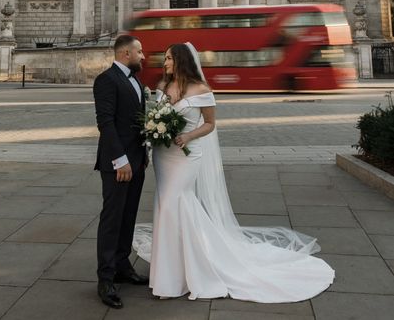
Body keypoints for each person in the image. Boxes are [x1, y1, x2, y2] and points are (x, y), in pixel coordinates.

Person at [133, 42, 335, 302]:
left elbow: (209, 124)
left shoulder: (201, 89)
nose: (165, 62)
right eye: (166, 59)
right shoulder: (162, 87)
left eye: (170, 59)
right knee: (166, 207)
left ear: (182, 61)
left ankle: (192, 269)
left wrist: (187, 135)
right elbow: (157, 117)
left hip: (187, 156)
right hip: (165, 156)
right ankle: (171, 271)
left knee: (175, 203)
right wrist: (155, 132)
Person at [94, 35, 149, 309]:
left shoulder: (136, 80)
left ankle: (122, 266)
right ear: (126, 53)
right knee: (112, 218)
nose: (144, 56)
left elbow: (135, 122)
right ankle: (105, 279)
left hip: (136, 162)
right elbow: (105, 123)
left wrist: (143, 156)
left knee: (129, 216)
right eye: (140, 51)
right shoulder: (106, 80)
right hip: (118, 164)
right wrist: (120, 160)